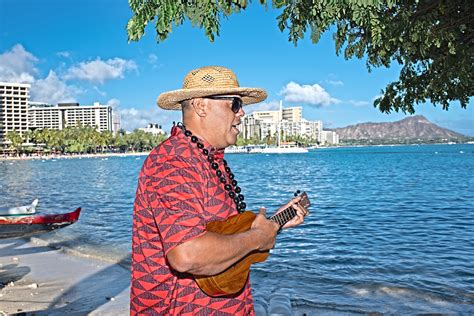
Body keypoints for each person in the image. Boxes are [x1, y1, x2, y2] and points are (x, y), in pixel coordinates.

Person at [130, 66, 308, 315]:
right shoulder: (174, 161)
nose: (242, 113)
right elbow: (187, 254)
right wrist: (257, 237)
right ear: (201, 106)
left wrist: (273, 224)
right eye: (235, 104)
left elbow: (221, 233)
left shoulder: (207, 159)